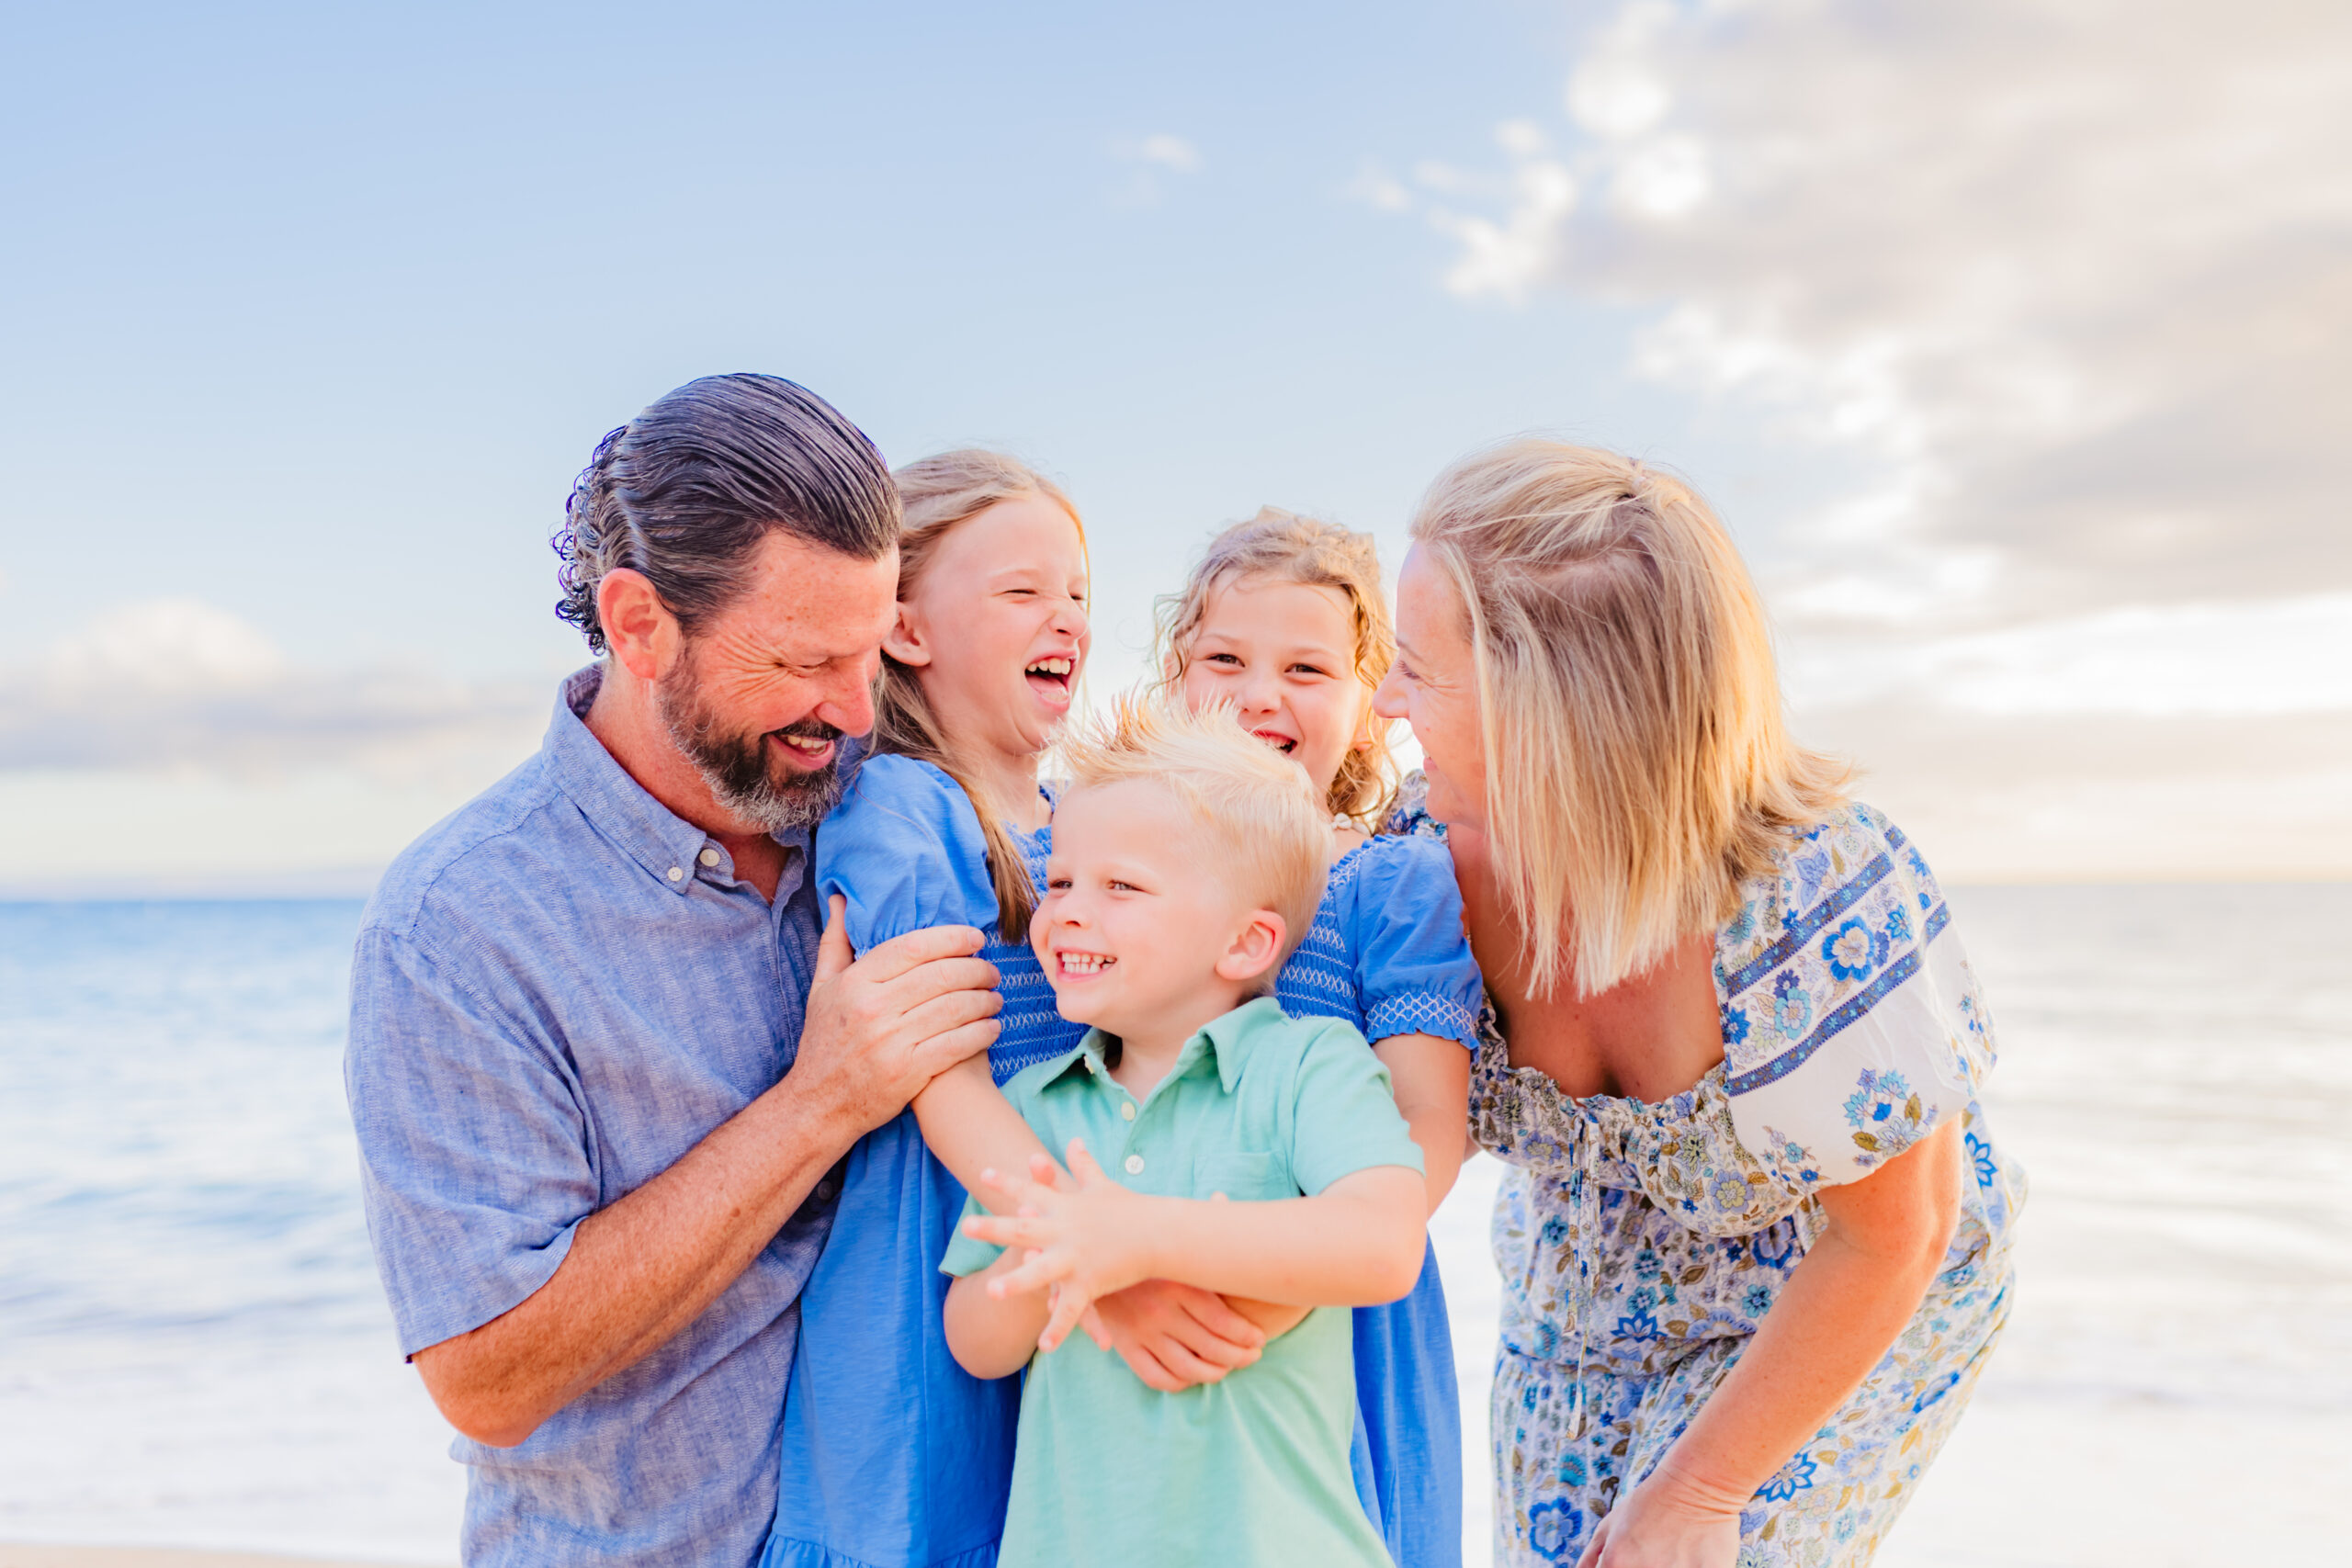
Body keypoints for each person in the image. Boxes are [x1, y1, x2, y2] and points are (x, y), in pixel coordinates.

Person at [344, 375, 1007, 1568]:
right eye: (807, 661)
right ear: (640, 623)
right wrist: (821, 1102)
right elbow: (487, 1372)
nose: (857, 712)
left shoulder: (885, 820)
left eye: (872, 653)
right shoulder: (458, 925)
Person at [1373, 441, 2024, 1567]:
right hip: (1579, 1287)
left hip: (1836, 1280)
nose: (1381, 703)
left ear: (1556, 715)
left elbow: (1895, 1235)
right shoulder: (1407, 863)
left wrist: (1702, 1489)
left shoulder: (1808, 902)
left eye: (1417, 671)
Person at [942, 700, 1431, 1568]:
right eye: (1059, 883)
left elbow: (1386, 1242)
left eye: (1120, 886)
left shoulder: (1309, 1066)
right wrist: (1051, 1260)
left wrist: (1137, 1236)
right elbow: (975, 1343)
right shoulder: (1037, 1105)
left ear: (1246, 943)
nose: (1068, 913)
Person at [1156, 507, 1482, 1568]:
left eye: (1306, 667)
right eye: (1225, 658)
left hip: (1337, 1310)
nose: (1261, 693)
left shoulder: (1387, 881)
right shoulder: (1122, 860)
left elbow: (1431, 1122)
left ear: (1373, 703)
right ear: (1175, 676)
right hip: (1148, 1285)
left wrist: (1282, 1283)